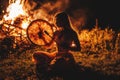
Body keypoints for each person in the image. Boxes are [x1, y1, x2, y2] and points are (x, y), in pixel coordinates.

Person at [32, 12, 81, 79]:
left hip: (65, 56)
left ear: (64, 21)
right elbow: (49, 45)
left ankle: (53, 67)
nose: (56, 22)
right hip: (55, 54)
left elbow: (78, 48)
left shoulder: (72, 33)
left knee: (56, 65)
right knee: (36, 54)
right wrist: (43, 38)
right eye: (55, 20)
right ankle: (51, 66)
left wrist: (67, 47)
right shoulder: (56, 32)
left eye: (58, 20)